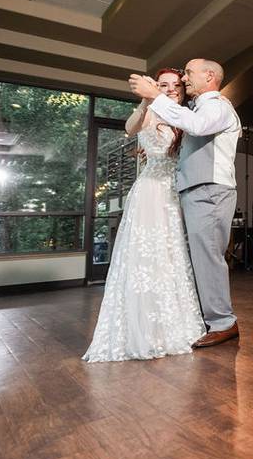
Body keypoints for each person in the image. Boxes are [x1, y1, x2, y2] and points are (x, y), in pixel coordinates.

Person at [84, 69, 206, 362]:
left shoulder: (186, 116)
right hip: (150, 191)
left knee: (172, 253)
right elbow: (130, 128)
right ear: (155, 87)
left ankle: (174, 323)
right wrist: (145, 101)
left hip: (176, 191)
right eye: (163, 85)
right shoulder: (150, 112)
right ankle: (143, 327)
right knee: (145, 253)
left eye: (176, 85)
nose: (171, 89)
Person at [129, 58, 242, 348]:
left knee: (208, 259)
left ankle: (223, 323)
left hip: (210, 190)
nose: (186, 79)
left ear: (209, 76)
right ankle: (211, 319)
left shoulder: (217, 105)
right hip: (196, 189)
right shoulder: (199, 107)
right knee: (198, 258)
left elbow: (197, 126)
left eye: (189, 74)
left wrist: (155, 96)